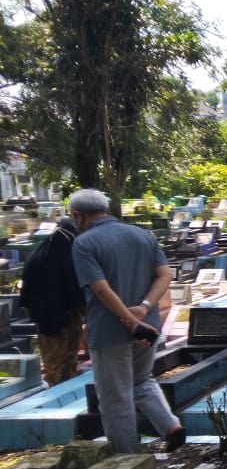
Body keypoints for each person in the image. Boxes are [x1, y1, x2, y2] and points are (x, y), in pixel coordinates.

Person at [68, 189, 186, 454]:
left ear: (78, 215)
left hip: (111, 331)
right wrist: (143, 309)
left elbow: (100, 289)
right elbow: (165, 276)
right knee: (142, 380)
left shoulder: (85, 242)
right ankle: (170, 425)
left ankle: (127, 458)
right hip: (149, 327)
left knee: (114, 397)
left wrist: (128, 319)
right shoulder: (142, 235)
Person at [20, 217, 85, 385]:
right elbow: (75, 289)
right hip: (67, 315)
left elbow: (26, 290)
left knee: (54, 360)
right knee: (66, 357)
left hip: (43, 315)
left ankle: (57, 385)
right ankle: (60, 388)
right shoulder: (68, 257)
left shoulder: (37, 256)